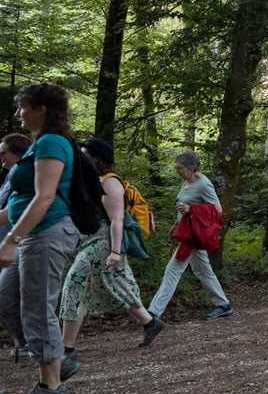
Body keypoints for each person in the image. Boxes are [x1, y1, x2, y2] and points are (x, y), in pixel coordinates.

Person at [0, 83, 81, 394]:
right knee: (6, 299)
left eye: (23, 107)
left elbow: (45, 197)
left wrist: (10, 239)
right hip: (33, 233)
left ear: (41, 109)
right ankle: (54, 361)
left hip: (47, 232)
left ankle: (50, 385)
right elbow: (20, 199)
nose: (19, 113)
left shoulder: (51, 142)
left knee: (37, 306)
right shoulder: (37, 145)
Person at [59, 139, 164, 354]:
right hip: (90, 240)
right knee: (118, 282)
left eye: (85, 154)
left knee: (73, 284)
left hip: (105, 242)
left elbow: (117, 219)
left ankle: (65, 348)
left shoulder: (110, 182)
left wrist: (115, 251)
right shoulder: (93, 180)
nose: (81, 157)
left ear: (96, 158)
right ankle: (150, 323)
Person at [147, 151, 233, 321]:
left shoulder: (204, 184)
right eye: (176, 167)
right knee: (204, 271)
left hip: (193, 236)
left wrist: (191, 209)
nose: (177, 170)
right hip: (187, 231)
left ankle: (152, 313)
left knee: (173, 271)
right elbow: (183, 204)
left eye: (180, 168)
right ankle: (223, 304)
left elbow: (218, 210)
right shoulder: (185, 181)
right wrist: (176, 224)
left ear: (191, 167)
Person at [0, 133, 32, 358]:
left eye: (4, 153)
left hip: (21, 244)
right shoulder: (9, 178)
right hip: (6, 245)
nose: (1, 158)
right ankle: (25, 343)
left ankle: (33, 346)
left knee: (10, 298)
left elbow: (14, 210)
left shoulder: (24, 177)